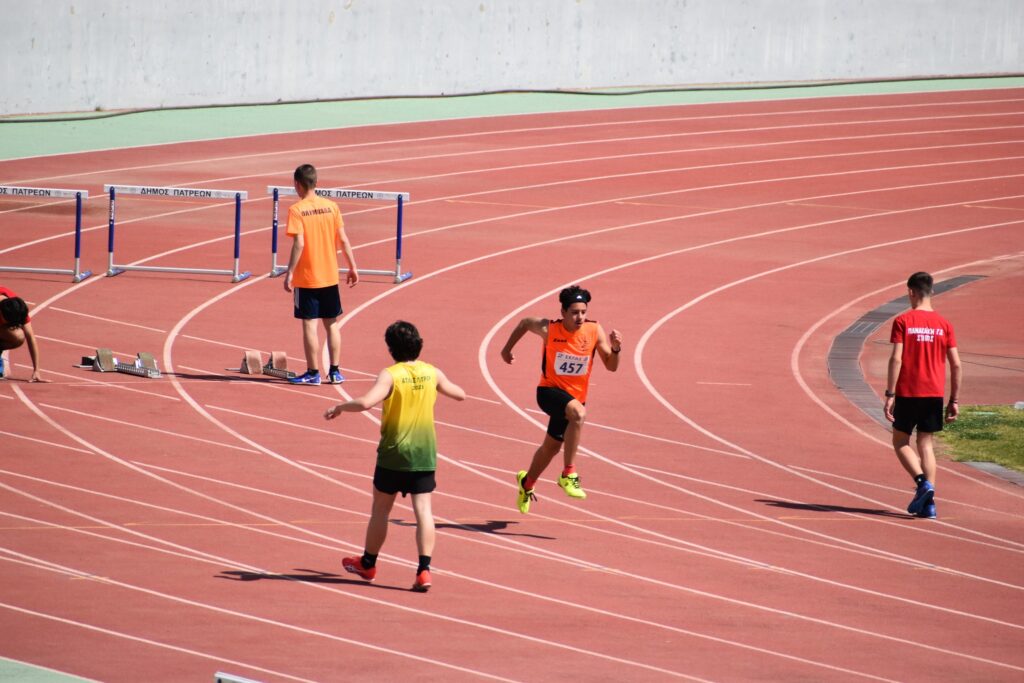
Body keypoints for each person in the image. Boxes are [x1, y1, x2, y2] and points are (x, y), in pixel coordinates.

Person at [325, 320, 465, 592]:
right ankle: (424, 570)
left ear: (391, 349)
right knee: (424, 510)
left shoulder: (390, 375)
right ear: (419, 344)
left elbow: (366, 402)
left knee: (381, 509)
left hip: (393, 453)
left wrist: (340, 406)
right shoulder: (431, 372)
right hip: (424, 453)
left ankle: (368, 562)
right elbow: (460, 395)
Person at [501, 285, 622, 514]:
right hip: (549, 392)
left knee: (551, 447)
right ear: (564, 312)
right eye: (575, 312)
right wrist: (506, 350)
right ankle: (568, 473)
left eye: (583, 312)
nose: (580, 317)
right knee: (579, 414)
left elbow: (612, 367)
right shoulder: (550, 329)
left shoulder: (594, 330)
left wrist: (616, 349)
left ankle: (526, 484)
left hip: (575, 397)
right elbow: (525, 322)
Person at [883, 271, 962, 520]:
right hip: (934, 393)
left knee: (900, 441)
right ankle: (930, 505)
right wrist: (954, 400)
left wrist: (890, 393)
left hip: (909, 391)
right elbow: (956, 364)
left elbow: (896, 358)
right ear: (932, 292)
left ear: (910, 292)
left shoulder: (903, 321)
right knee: (926, 444)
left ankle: (921, 484)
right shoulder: (944, 324)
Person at [283, 164, 358, 386]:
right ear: (315, 182)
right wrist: (352, 266)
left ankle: (313, 372)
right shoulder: (332, 207)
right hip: (329, 275)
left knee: (309, 325)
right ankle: (335, 371)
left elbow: (299, 243)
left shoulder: (297, 210)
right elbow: (343, 239)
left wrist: (289, 272)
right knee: (332, 324)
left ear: (297, 184)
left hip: (307, 277)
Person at [0, 286, 44, 382]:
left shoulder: (18, 309)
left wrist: (36, 370)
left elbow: (30, 337)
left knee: (18, 337)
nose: (9, 325)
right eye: (7, 322)